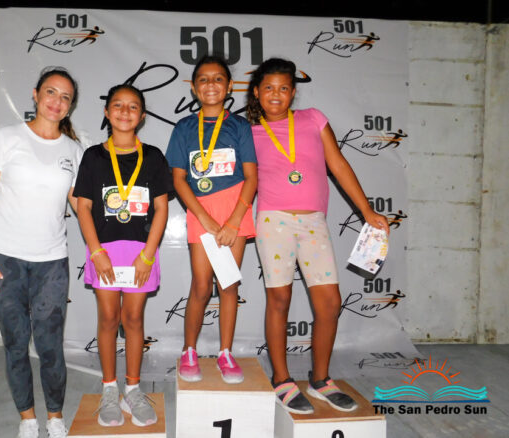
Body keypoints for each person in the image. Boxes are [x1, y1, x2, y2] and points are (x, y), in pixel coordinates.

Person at [246, 58, 390, 414]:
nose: (276, 94)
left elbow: (337, 164)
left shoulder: (313, 119)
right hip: (273, 222)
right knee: (279, 299)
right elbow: (242, 181)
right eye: (268, 88)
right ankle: (282, 379)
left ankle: (321, 379)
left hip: (313, 222)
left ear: (293, 92)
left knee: (329, 303)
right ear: (256, 92)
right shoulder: (248, 132)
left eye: (283, 88)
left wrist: (366, 210)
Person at [0, 66, 84, 438]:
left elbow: (82, 207)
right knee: (16, 345)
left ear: (70, 106)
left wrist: (118, 230)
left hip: (52, 262)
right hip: (5, 259)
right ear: (36, 94)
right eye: (51, 92)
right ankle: (28, 419)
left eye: (65, 97)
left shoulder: (73, 150)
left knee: (51, 346)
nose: (57, 101)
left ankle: (55, 417)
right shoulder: (7, 137)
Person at [73, 84, 171, 427]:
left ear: (142, 116)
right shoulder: (93, 157)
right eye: (118, 105)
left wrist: (148, 255)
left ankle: (133, 388)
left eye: (133, 106)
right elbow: (83, 207)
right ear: (106, 112)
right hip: (104, 252)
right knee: (108, 318)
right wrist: (96, 251)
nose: (125, 111)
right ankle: (109, 389)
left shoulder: (154, 157)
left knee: (133, 320)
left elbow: (162, 209)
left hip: (141, 253)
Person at [166, 55, 257, 384]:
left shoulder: (240, 126)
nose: (210, 85)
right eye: (203, 79)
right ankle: (189, 351)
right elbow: (178, 179)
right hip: (200, 213)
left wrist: (233, 221)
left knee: (229, 284)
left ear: (229, 86)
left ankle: (225, 353)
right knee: (202, 286)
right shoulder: (184, 128)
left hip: (235, 213)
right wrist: (203, 217)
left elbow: (251, 177)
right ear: (193, 87)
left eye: (218, 79)